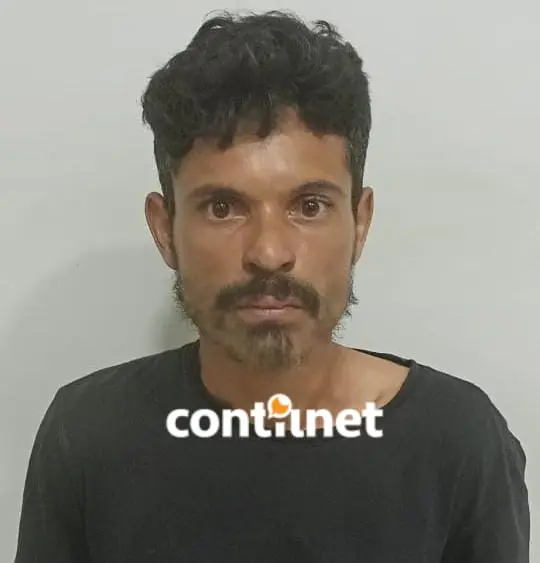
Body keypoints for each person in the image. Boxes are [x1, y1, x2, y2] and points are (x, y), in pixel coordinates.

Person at [14, 10, 529, 563]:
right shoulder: (88, 435)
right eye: (222, 207)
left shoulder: (458, 443)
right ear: (165, 230)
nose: (268, 252)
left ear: (360, 223)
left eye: (310, 206)